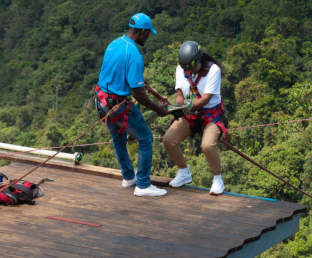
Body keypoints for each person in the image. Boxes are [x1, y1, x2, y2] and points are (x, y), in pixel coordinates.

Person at [96, 13, 169, 197]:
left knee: (118, 139)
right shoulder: (134, 54)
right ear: (143, 32)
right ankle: (143, 184)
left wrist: (147, 89)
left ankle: (129, 177)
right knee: (145, 138)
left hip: (102, 101)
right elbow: (137, 93)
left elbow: (118, 74)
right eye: (148, 34)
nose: (148, 37)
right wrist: (157, 108)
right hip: (118, 105)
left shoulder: (114, 43)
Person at [162, 41, 228, 195]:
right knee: (168, 140)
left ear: (200, 60)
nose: (190, 71)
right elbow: (180, 95)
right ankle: (184, 172)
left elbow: (205, 99)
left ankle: (218, 178)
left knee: (207, 145)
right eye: (188, 69)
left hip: (210, 115)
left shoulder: (213, 70)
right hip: (190, 115)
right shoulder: (181, 69)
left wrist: (184, 108)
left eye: (193, 67)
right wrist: (177, 108)